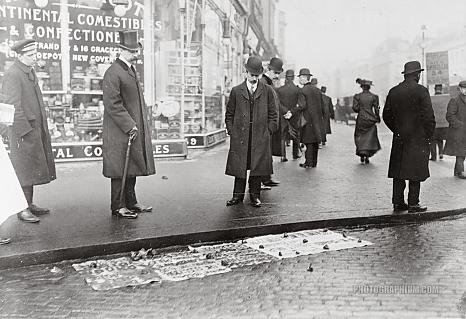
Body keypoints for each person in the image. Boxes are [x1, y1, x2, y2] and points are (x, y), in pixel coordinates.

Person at [1, 39, 56, 223]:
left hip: (32, 129)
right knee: (23, 169)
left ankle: (28, 203)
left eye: (35, 54)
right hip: (22, 131)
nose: (34, 58)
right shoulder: (13, 74)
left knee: (30, 168)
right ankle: (22, 209)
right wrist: (24, 131)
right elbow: (12, 105)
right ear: (20, 55)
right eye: (30, 55)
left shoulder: (28, 72)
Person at [102, 30, 155, 219]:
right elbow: (112, 104)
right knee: (119, 169)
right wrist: (129, 124)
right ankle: (118, 206)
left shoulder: (129, 70)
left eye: (137, 51)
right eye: (133, 51)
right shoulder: (113, 72)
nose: (136, 55)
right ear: (122, 50)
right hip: (119, 130)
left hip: (130, 128)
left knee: (131, 166)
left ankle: (131, 202)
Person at [225, 56, 278, 208]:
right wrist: (231, 131)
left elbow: (273, 114)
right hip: (241, 136)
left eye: (257, 75)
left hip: (260, 135)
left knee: (257, 167)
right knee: (240, 167)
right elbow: (229, 114)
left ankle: (255, 196)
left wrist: (269, 130)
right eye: (251, 74)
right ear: (246, 72)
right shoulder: (236, 91)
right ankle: (237, 196)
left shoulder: (267, 90)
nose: (254, 78)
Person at [383, 61, 435, 213]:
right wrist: (427, 135)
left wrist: (397, 130)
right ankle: (413, 203)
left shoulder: (394, 91)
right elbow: (429, 117)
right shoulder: (422, 91)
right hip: (418, 138)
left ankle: (398, 203)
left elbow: (386, 115)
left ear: (406, 74)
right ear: (417, 74)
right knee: (415, 171)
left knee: (399, 171)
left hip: (400, 137)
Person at [259, 57, 283, 187]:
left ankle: (267, 177)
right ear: (269, 70)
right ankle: (262, 179)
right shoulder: (264, 82)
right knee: (263, 152)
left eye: (278, 73)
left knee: (267, 152)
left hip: (269, 122)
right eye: (275, 73)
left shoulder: (268, 82)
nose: (277, 76)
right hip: (264, 123)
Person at [297, 68, 323, 168]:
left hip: (307, 119)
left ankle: (308, 162)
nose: (299, 79)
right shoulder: (317, 90)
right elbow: (321, 106)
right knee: (315, 141)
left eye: (300, 77)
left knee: (308, 141)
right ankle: (314, 162)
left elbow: (302, 106)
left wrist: (296, 109)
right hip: (316, 119)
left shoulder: (303, 90)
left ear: (304, 78)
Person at [352, 78, 381, 164]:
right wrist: (377, 118)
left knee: (359, 136)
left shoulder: (357, 96)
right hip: (371, 119)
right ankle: (367, 155)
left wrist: (361, 109)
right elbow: (376, 109)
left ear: (362, 87)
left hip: (361, 118)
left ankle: (361, 154)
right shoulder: (374, 97)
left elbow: (355, 108)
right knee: (370, 138)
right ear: (369, 87)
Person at [444, 81, 466, 179]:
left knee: (463, 151)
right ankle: (460, 171)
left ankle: (457, 171)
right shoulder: (455, 100)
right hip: (458, 131)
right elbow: (449, 115)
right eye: (463, 88)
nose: (464, 90)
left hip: (464, 131)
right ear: (460, 89)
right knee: (460, 152)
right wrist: (459, 124)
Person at [277, 69, 301, 160]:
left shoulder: (280, 90)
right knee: (295, 135)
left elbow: (278, 103)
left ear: (286, 77)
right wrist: (291, 112)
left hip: (283, 116)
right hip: (294, 116)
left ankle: (283, 156)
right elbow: (299, 104)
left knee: (282, 135)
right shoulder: (298, 90)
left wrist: (285, 111)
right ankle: (295, 154)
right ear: (294, 77)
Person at [430, 84, 448, 161]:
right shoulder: (445, 98)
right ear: (441, 89)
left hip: (434, 124)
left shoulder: (431, 99)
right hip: (443, 123)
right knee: (440, 139)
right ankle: (441, 153)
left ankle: (434, 156)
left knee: (433, 140)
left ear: (434, 89)